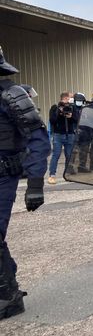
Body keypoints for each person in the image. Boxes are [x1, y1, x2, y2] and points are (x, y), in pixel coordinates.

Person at [0, 46, 50, 320]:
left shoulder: (12, 95)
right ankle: (8, 284)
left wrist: (35, 184)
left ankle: (9, 297)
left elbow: (39, 140)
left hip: (4, 174)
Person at [47, 91, 79, 184]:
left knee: (69, 155)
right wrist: (59, 111)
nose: (72, 99)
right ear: (65, 98)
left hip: (70, 135)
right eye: (71, 97)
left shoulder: (72, 107)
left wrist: (71, 116)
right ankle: (52, 175)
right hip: (58, 135)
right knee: (56, 155)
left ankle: (67, 174)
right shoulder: (55, 107)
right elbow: (52, 120)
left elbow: (77, 119)